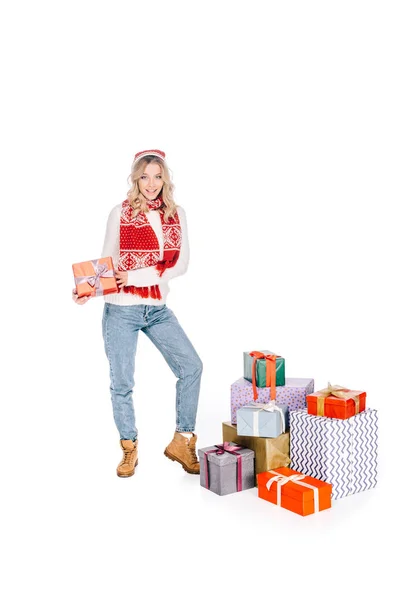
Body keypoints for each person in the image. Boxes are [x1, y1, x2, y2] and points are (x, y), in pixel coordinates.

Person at [72, 149, 203, 478]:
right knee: (122, 384)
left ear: (165, 179)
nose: (151, 183)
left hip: (157, 308)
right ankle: (129, 449)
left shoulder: (177, 215)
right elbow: (107, 260)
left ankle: (182, 441)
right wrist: (88, 290)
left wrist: (133, 277)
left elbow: (179, 266)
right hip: (121, 311)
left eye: (158, 176)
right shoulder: (119, 213)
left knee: (192, 367)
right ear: (135, 178)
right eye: (144, 176)